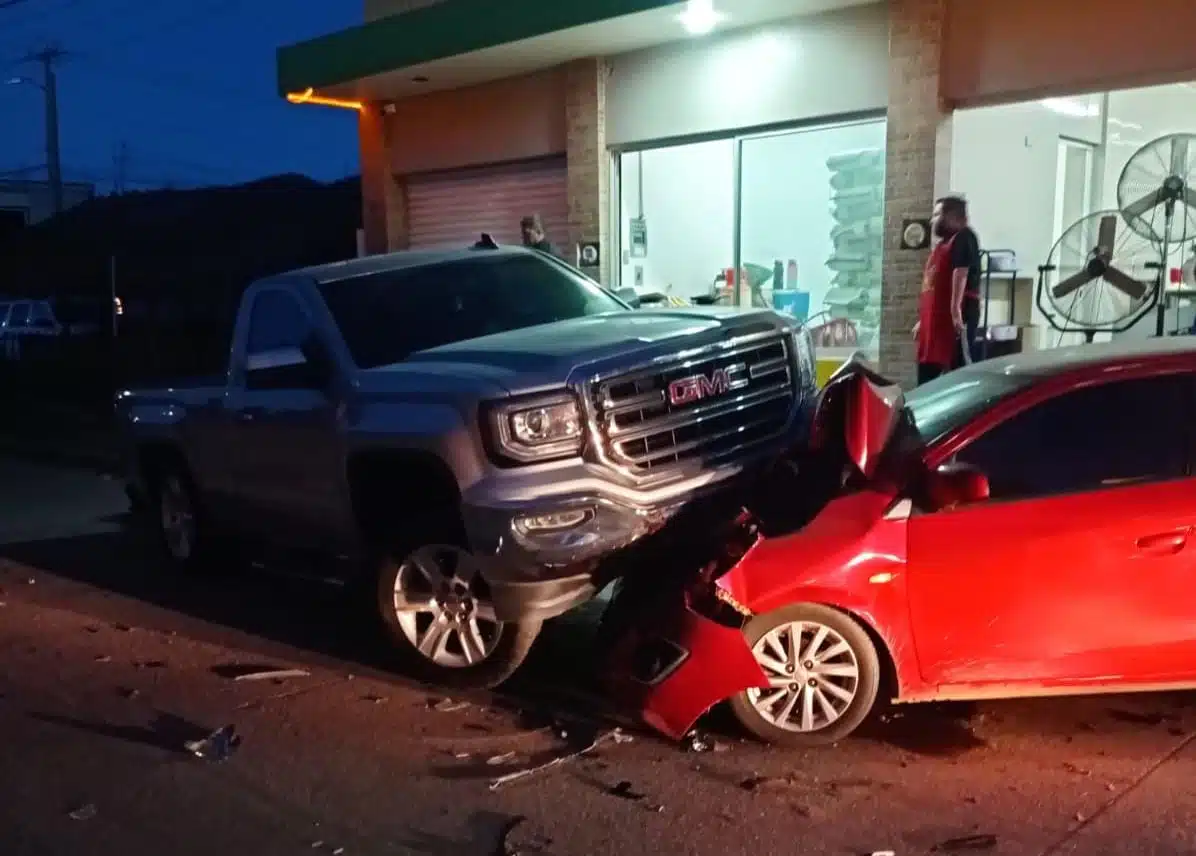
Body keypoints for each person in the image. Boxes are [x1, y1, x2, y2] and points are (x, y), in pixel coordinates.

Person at [913, 195, 982, 385]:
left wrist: (955, 310)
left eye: (937, 214)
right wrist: (923, 321)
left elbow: (961, 272)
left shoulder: (964, 237)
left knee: (958, 373)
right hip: (935, 322)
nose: (932, 220)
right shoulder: (941, 246)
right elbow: (933, 285)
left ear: (952, 217)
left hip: (954, 320)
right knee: (926, 375)